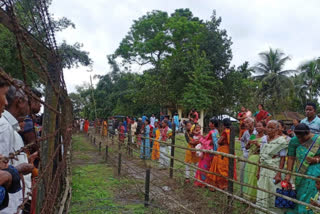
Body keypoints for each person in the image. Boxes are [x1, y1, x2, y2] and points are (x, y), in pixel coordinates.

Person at [0, 79, 32, 214]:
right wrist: (18, 169)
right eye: (28, 101)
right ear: (19, 101)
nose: (6, 102)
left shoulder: (10, 127)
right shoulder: (4, 127)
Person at [285, 124, 320, 213]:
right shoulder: (294, 141)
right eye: (298, 137)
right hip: (300, 172)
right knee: (300, 193)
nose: (300, 140)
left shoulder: (318, 140)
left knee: (311, 193)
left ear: (308, 133)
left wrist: (315, 159)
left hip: (316, 172)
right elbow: (291, 157)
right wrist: (288, 174)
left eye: (303, 138)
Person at [256, 120, 288, 214]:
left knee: (273, 191)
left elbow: (282, 158)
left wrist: (279, 173)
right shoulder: (264, 139)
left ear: (277, 129)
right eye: (268, 127)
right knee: (262, 190)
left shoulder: (281, 141)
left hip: (274, 170)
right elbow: (261, 156)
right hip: (264, 168)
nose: (269, 130)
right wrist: (258, 171)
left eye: (272, 128)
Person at [206, 118, 237, 191]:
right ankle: (225, 185)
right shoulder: (231, 131)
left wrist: (220, 141)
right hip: (230, 150)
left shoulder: (225, 132)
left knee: (218, 167)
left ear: (224, 124)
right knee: (227, 167)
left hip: (223, 150)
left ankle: (216, 186)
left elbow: (219, 141)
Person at [242, 121, 267, 201]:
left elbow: (265, 149)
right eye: (257, 126)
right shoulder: (253, 136)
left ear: (264, 127)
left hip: (258, 159)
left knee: (255, 178)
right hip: (250, 158)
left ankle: (255, 197)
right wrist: (249, 143)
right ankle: (247, 196)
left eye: (260, 126)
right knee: (248, 176)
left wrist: (257, 145)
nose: (258, 128)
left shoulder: (266, 138)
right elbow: (246, 148)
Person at [194, 118, 219, 187]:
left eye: (210, 123)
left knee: (204, 167)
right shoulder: (216, 132)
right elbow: (215, 143)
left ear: (213, 124)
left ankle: (203, 182)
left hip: (207, 152)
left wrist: (201, 139)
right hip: (213, 152)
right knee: (209, 167)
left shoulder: (211, 132)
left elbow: (207, 142)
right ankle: (208, 182)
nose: (209, 124)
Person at [240, 117, 257, 193]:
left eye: (247, 122)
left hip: (254, 155)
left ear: (252, 123)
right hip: (246, 155)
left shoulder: (257, 132)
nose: (246, 124)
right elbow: (242, 140)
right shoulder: (246, 132)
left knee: (252, 174)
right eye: (245, 123)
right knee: (243, 171)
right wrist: (244, 149)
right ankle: (242, 190)